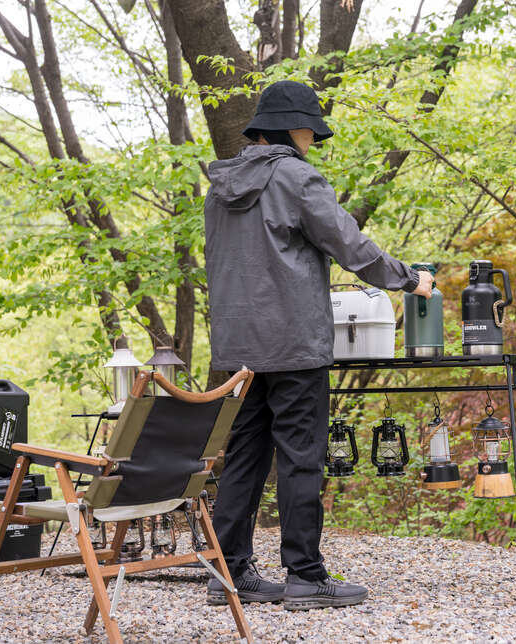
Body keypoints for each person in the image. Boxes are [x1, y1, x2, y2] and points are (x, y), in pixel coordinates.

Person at [203, 80, 434, 611]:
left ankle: (228, 572)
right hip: (293, 344)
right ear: (292, 126)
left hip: (237, 347)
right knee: (301, 459)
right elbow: (350, 246)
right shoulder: (298, 177)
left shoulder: (220, 188)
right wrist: (409, 280)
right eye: (311, 129)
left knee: (242, 458)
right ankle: (305, 576)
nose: (313, 139)